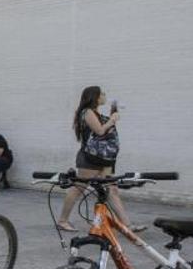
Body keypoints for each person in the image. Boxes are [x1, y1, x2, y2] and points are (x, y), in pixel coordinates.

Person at [56, 86, 143, 232]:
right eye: (102, 94)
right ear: (95, 97)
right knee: (79, 188)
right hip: (90, 158)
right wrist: (113, 119)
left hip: (104, 158)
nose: (104, 96)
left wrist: (112, 114)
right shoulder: (87, 112)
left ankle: (127, 225)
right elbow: (100, 131)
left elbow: (105, 128)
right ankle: (62, 220)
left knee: (111, 189)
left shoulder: (95, 113)